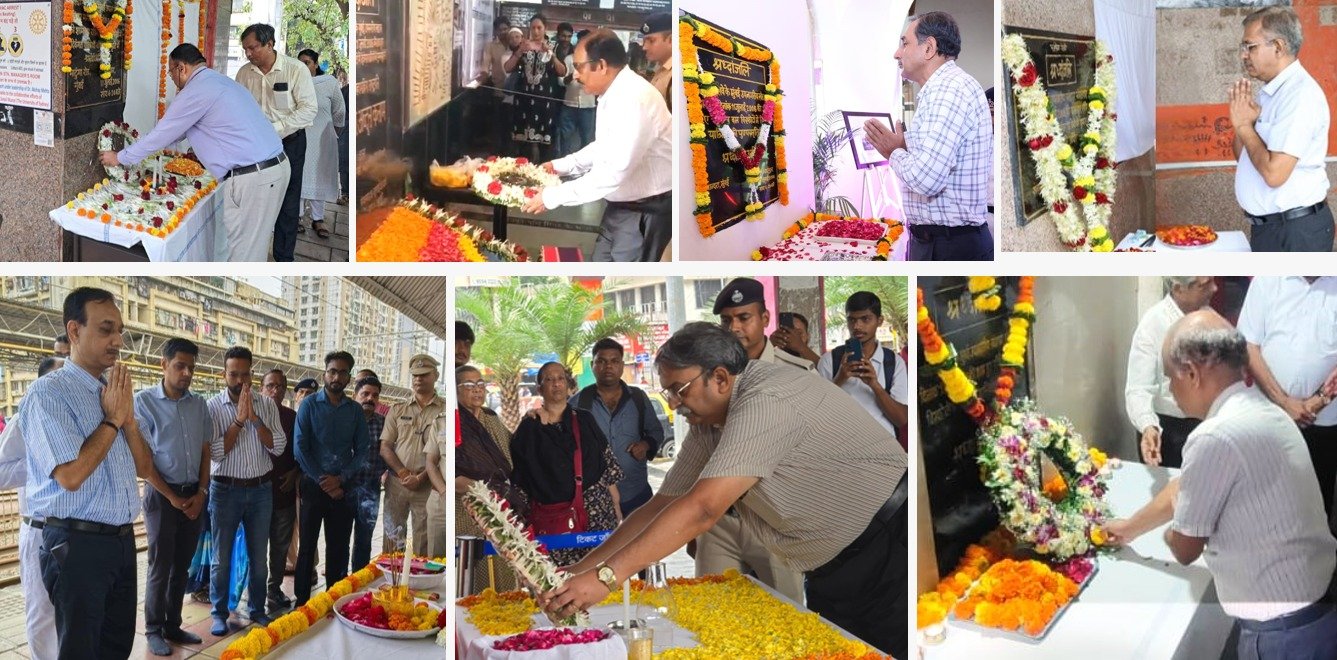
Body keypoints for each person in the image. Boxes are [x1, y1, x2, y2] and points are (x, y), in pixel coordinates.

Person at [539, 323, 909, 658]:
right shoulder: (710, 421)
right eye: (668, 392)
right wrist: (582, 570)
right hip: (834, 569)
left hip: (891, 544)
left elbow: (703, 508)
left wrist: (606, 579)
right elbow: (663, 504)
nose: (673, 403)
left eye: (679, 390)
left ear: (719, 377)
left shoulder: (765, 398)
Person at [1106, 311, 1337, 659]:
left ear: (1192, 373)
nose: (1171, 390)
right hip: (1315, 614)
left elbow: (1185, 550)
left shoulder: (1215, 435)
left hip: (1282, 636)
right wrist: (1128, 529)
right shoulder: (1266, 411)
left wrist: (1176, 529)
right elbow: (1184, 487)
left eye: (1170, 378)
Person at [23, 288, 161, 659]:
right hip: (76, 545)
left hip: (121, 542)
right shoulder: (48, 394)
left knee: (116, 646)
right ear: (74, 331)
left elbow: (145, 468)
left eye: (119, 330)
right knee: (80, 651)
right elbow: (71, 476)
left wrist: (128, 420)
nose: (118, 340)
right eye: (105, 329)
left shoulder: (114, 392)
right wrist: (112, 420)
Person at [101, 43, 288, 262]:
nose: (172, 78)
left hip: (254, 179)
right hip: (272, 169)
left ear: (181, 68)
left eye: (171, 72)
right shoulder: (219, 81)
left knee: (245, 257)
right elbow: (177, 132)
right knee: (253, 247)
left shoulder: (196, 90)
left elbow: (162, 134)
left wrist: (120, 157)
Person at [522, 30, 672, 262]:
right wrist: (561, 166)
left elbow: (614, 171)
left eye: (579, 67)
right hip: (621, 204)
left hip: (645, 208)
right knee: (601, 266)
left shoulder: (634, 98)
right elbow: (604, 147)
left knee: (622, 274)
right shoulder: (614, 92)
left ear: (601, 65)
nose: (576, 74)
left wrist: (552, 196)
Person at [863, 12, 992, 261]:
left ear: (929, 48)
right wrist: (904, 146)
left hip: (951, 247)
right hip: (940, 242)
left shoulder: (948, 89)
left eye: (905, 43)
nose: (897, 54)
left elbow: (926, 179)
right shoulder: (943, 88)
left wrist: (893, 152)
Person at [1229, 7, 1332, 252]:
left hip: (1296, 232)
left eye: (1250, 47)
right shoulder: (1270, 93)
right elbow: (1244, 157)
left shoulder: (1299, 96)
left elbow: (1274, 174)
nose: (1244, 55)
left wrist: (1244, 126)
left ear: (1278, 47)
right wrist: (1244, 126)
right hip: (1271, 228)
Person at [136, 338, 212, 656]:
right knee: (160, 564)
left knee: (182, 565)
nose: (187, 373)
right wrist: (170, 497)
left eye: (191, 367)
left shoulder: (199, 405)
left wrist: (201, 493)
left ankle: (172, 625)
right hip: (160, 496)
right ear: (164, 364)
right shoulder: (144, 402)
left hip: (192, 495)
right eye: (180, 366)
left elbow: (206, 451)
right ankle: (153, 629)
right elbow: (143, 461)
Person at [1237, 276, 1337, 516]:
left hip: (1324, 422)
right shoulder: (1267, 279)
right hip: (1268, 416)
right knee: (1261, 503)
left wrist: (1319, 400)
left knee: (1314, 506)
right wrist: (1282, 401)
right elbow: (1248, 344)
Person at [206, 346, 286, 635]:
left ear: (252, 374)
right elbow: (216, 452)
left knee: (258, 557)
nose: (240, 381)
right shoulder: (212, 407)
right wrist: (239, 421)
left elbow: (278, 446)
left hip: (260, 490)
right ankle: (218, 613)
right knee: (221, 557)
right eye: (233, 374)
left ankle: (257, 609)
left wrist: (254, 419)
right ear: (224, 374)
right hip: (225, 490)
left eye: (245, 374)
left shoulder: (266, 405)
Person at [511, 361, 623, 566]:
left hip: (596, 512)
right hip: (553, 519)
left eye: (560, 378)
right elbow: (521, 476)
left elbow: (606, 462)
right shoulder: (530, 428)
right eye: (549, 379)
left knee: (600, 573)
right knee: (559, 578)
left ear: (567, 384)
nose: (556, 384)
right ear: (540, 389)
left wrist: (616, 507)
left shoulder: (584, 419)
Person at [236, 23, 318, 263]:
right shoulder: (244, 73)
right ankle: (252, 255)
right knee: (254, 199)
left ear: (270, 44)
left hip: (289, 143)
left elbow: (308, 110)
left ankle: (283, 258)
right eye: (245, 49)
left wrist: (275, 130)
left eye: (253, 48)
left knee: (288, 203)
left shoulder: (295, 70)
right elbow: (238, 108)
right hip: (255, 147)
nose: (248, 54)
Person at [293, 351, 369, 606]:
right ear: (325, 373)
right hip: (313, 486)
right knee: (307, 546)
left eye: (342, 372)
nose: (336, 377)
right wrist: (323, 481)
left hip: (343, 489)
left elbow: (362, 450)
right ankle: (302, 602)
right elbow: (300, 448)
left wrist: (341, 479)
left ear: (349, 377)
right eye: (332, 371)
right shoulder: (309, 405)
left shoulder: (355, 411)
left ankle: (334, 601)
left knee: (339, 547)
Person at [0, 356, 63, 660]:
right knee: (42, 613)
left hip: (80, 534)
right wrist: (43, 463)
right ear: (42, 384)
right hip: (40, 530)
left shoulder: (82, 418)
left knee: (76, 612)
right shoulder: (23, 419)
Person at [1125, 277, 1219, 468]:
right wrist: (1148, 426)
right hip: (1168, 433)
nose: (1214, 289)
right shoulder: (1153, 324)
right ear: (1178, 288)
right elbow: (1138, 389)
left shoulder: (1211, 319)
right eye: (1204, 285)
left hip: (1207, 426)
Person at [451, 364, 525, 587]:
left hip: (501, 506)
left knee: (505, 572)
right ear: (456, 389)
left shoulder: (491, 417)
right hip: (467, 509)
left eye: (480, 384)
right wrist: (485, 492)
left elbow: (514, 448)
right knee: (475, 575)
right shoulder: (453, 421)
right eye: (469, 384)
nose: (477, 389)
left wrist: (531, 423)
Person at [572, 338, 663, 517]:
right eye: (601, 361)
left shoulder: (638, 398)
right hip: (595, 497)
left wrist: (645, 445)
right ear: (592, 365)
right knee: (603, 537)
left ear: (622, 365)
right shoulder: (578, 403)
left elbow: (656, 432)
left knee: (642, 535)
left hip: (636, 491)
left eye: (614, 361)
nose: (608, 366)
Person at [816, 292, 909, 438]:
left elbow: (901, 420)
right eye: (851, 320)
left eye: (865, 319)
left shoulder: (894, 362)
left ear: (879, 321)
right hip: (840, 446)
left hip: (884, 447)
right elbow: (817, 413)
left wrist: (875, 385)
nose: (857, 326)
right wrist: (840, 379)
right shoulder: (830, 360)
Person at [380, 355, 445, 555]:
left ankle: (419, 575)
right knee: (392, 538)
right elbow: (385, 447)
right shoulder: (398, 409)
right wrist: (403, 473)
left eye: (424, 374)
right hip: (397, 483)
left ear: (436, 376)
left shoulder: (445, 411)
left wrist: (420, 477)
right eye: (415, 375)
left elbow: (444, 455)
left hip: (428, 485)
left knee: (423, 540)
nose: (418, 379)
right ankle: (392, 574)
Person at [260, 368, 299, 614]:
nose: (275, 391)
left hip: (283, 493)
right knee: (255, 548)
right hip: (255, 496)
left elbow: (302, 450)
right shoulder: (251, 414)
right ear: (261, 388)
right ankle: (254, 590)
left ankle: (273, 589)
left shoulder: (292, 417)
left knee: (279, 546)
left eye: (280, 387)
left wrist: (295, 472)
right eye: (270, 386)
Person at [295, 48, 345, 239]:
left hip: (323, 139)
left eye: (307, 62)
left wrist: (334, 133)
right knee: (300, 176)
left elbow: (339, 111)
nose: (303, 66)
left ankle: (318, 219)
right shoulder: (295, 82)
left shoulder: (329, 83)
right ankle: (298, 216)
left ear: (316, 64)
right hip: (300, 137)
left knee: (320, 177)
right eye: (300, 63)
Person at [715, 278, 813, 370]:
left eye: (744, 318)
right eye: (726, 320)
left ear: (765, 319)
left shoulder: (796, 371)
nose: (733, 328)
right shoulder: (712, 370)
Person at [506, 14, 566, 162]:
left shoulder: (552, 47)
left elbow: (562, 71)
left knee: (546, 145)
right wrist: (520, 51)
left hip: (545, 103)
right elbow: (507, 68)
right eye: (533, 28)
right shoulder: (523, 47)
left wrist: (551, 54)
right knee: (523, 145)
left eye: (539, 28)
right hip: (524, 101)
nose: (536, 31)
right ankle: (524, 172)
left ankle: (544, 172)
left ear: (545, 28)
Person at [350, 376, 387, 570]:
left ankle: (359, 578)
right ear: (354, 395)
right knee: (339, 538)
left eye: (375, 395)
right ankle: (339, 581)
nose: (370, 398)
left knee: (364, 540)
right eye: (365, 394)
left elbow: (389, 451)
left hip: (371, 487)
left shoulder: (383, 423)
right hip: (344, 488)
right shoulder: (344, 420)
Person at [475, 17, 514, 153]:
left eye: (505, 29)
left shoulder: (516, 44)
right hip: (498, 91)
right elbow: (485, 67)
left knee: (512, 127)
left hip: (515, 94)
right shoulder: (490, 46)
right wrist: (483, 75)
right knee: (498, 126)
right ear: (495, 31)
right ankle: (497, 157)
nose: (503, 32)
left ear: (509, 29)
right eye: (500, 29)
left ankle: (511, 155)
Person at [557, 28, 597, 158]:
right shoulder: (569, 59)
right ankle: (564, 165)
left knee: (587, 140)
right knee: (565, 139)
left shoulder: (595, 61)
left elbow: (599, 82)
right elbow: (561, 82)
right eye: (581, 42)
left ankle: (584, 167)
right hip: (569, 104)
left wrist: (586, 79)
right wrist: (571, 77)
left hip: (588, 106)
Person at [640, 12, 672, 111]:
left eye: (651, 41)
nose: (644, 47)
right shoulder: (663, 70)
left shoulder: (678, 76)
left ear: (671, 40)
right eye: (644, 41)